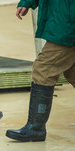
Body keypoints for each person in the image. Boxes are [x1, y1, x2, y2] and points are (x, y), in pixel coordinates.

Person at [5, 0, 75, 142]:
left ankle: (35, 128)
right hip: (63, 17)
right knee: (72, 72)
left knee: (43, 70)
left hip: (67, 22)